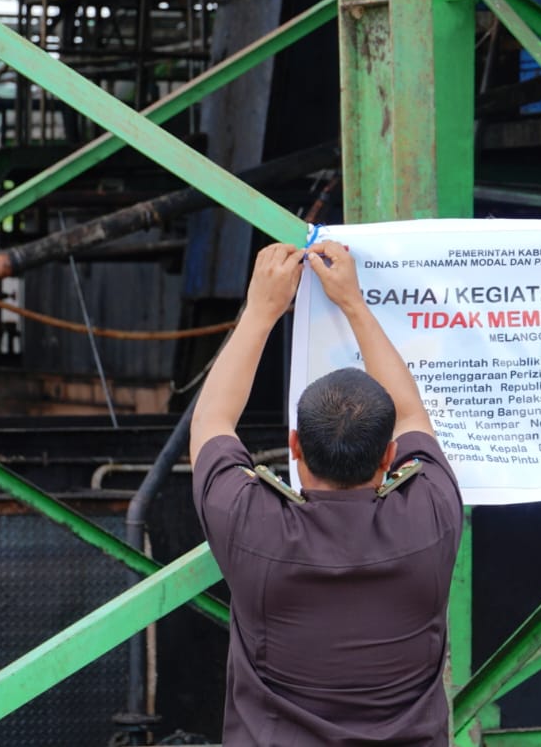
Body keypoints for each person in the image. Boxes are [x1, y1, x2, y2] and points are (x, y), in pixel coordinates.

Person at [189, 239, 463, 745]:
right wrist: (354, 303)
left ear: (294, 447)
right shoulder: (432, 514)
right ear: (388, 456)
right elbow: (412, 415)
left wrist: (261, 311)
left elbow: (211, 422)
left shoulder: (252, 525)